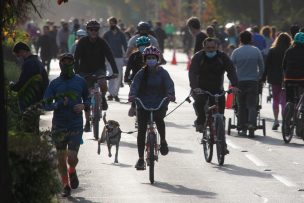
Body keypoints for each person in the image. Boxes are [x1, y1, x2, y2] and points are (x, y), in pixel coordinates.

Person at [43, 53, 89, 197]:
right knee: (61, 158)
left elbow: (88, 99)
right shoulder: (54, 83)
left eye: (69, 62)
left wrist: (83, 105)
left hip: (75, 124)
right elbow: (45, 104)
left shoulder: (80, 81)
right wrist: (57, 104)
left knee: (72, 157)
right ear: (60, 64)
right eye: (64, 62)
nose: (66, 64)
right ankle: (65, 185)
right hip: (59, 125)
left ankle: (72, 170)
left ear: (73, 64)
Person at [128, 46, 175, 170]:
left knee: (159, 120)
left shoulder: (163, 72)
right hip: (143, 103)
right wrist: (132, 96)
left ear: (157, 59)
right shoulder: (141, 73)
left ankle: (163, 141)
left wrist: (170, 94)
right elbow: (134, 86)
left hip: (159, 102)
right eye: (148, 58)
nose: (151, 60)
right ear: (145, 59)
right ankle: (140, 159)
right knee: (141, 130)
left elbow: (169, 84)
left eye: (153, 58)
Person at [189, 37, 239, 152]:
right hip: (201, 89)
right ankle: (201, 121)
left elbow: (231, 70)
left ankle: (223, 143)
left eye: (213, 48)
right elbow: (192, 72)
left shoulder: (222, 57)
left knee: (220, 116)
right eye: (208, 48)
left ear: (217, 47)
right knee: (200, 103)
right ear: (204, 48)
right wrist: (195, 87)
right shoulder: (198, 57)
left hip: (218, 89)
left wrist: (235, 85)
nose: (211, 50)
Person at [74, 19, 118, 132]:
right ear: (87, 30)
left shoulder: (102, 42)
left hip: (99, 69)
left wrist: (115, 71)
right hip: (84, 71)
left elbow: (110, 56)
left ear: (98, 30)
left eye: (96, 29)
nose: (93, 31)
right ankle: (87, 122)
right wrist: (76, 72)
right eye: (91, 29)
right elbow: (76, 58)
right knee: (87, 97)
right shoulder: (82, 42)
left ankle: (103, 98)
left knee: (103, 82)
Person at [9, 42, 49, 133]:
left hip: (29, 101)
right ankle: (35, 145)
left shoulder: (29, 63)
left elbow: (22, 82)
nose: (19, 58)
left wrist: (12, 86)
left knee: (28, 127)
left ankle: (31, 145)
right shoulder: (38, 62)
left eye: (18, 55)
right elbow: (46, 82)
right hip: (38, 100)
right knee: (34, 127)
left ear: (23, 52)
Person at [231, 31, 264, 137]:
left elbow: (231, 68)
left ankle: (241, 124)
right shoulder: (256, 51)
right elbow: (262, 67)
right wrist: (258, 77)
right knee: (252, 105)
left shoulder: (236, 52)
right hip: (253, 81)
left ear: (240, 40)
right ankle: (251, 124)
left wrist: (234, 80)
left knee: (241, 105)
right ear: (251, 40)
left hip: (240, 82)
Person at [262, 33, 292, 130]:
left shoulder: (272, 50)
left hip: (274, 78)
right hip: (286, 78)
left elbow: (267, 65)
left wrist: (264, 77)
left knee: (275, 99)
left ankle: (275, 120)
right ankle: (284, 121)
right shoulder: (289, 51)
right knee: (284, 100)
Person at [125, 36, 151, 117]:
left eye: (145, 46)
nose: (143, 48)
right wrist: (126, 78)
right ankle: (133, 106)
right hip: (135, 79)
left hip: (149, 78)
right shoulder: (133, 56)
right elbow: (128, 68)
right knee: (135, 94)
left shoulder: (152, 55)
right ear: (138, 47)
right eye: (141, 46)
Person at [103, 17, 128, 102]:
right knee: (111, 74)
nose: (111, 24)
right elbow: (102, 45)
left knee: (119, 76)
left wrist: (126, 56)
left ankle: (115, 93)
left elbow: (125, 45)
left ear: (115, 23)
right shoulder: (107, 34)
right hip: (110, 58)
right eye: (110, 23)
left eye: (112, 23)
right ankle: (110, 93)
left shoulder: (121, 34)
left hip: (119, 57)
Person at [283, 32, 304, 105]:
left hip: (289, 78)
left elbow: (284, 65)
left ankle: (289, 106)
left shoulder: (289, 51)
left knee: (289, 98)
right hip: (302, 78)